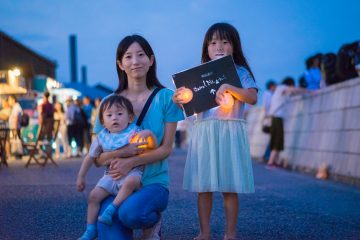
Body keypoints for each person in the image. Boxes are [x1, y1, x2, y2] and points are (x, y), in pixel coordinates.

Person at [92, 34, 184, 240]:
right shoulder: (108, 103)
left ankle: (152, 222)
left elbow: (166, 148)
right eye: (128, 57)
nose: (135, 61)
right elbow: (97, 158)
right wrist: (123, 154)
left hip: (153, 182)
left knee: (130, 214)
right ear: (120, 64)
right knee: (109, 232)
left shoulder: (167, 97)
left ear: (151, 60)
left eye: (141, 55)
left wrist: (131, 162)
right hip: (115, 185)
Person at [173, 22, 258, 240]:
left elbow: (252, 97)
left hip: (230, 132)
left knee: (230, 187)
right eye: (213, 43)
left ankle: (230, 233)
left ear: (234, 46)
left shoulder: (240, 72)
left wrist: (229, 87)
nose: (218, 46)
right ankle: (205, 232)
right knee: (204, 187)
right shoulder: (198, 74)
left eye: (224, 41)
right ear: (206, 48)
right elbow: (186, 104)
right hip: (205, 133)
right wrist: (178, 99)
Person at [76, 95, 157, 240]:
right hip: (110, 175)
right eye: (109, 115)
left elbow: (151, 146)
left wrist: (148, 134)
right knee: (93, 196)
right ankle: (90, 229)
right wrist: (81, 176)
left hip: (132, 172)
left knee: (132, 182)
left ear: (130, 118)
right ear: (103, 121)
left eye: (120, 114)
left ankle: (112, 208)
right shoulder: (102, 137)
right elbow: (91, 157)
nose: (115, 118)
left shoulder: (134, 132)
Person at [267, 77, 306, 168]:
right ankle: (271, 162)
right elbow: (294, 90)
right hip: (277, 118)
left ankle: (274, 161)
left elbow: (290, 93)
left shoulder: (279, 90)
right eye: (293, 84)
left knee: (277, 140)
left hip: (275, 118)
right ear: (290, 84)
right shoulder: (282, 87)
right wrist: (308, 91)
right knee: (277, 140)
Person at [262, 80, 277, 162]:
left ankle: (266, 155)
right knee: (273, 138)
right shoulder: (268, 94)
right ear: (271, 86)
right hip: (270, 117)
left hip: (270, 117)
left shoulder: (268, 93)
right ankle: (267, 156)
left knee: (272, 138)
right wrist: (267, 115)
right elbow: (267, 105)